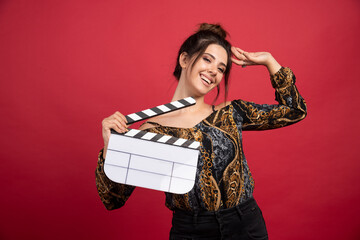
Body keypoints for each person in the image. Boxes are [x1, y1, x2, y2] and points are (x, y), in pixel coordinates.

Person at [95, 23, 307, 240]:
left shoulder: (231, 112)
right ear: (185, 60)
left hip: (245, 225)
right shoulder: (152, 131)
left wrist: (268, 61)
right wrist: (109, 147)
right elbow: (113, 200)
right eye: (207, 59)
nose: (214, 71)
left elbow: (294, 110)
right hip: (191, 231)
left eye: (222, 68)